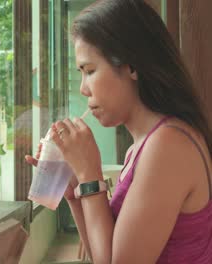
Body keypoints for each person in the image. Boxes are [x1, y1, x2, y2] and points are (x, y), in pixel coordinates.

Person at [25, 0, 212, 263]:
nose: (83, 88)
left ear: (132, 66)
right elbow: (101, 255)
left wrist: (91, 172)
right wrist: (75, 189)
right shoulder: (141, 146)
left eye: (89, 71)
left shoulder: (169, 145)